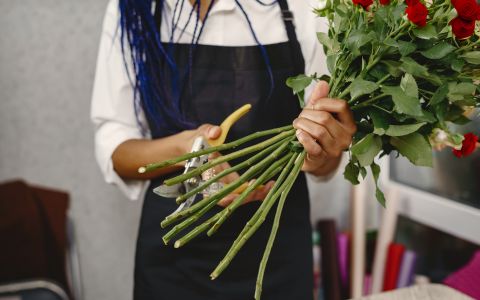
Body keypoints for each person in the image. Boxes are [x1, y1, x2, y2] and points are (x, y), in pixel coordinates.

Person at [91, 0, 356, 299]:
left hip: (275, 259)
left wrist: (323, 150)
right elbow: (116, 147)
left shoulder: (308, 6)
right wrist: (191, 150)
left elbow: (323, 162)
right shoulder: (134, 9)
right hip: (171, 267)